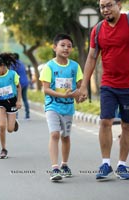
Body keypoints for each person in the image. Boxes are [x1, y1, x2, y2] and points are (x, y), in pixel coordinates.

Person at [79, 0, 129, 180]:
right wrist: (83, 85)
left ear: (119, 5)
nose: (105, 9)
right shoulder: (97, 30)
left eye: (109, 5)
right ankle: (105, 163)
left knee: (127, 124)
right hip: (109, 85)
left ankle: (122, 165)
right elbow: (91, 57)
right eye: (102, 6)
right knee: (105, 120)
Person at [39, 33, 83, 182]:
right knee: (55, 134)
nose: (66, 48)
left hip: (68, 108)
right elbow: (45, 89)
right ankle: (54, 168)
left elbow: (79, 87)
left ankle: (64, 165)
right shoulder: (49, 66)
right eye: (62, 45)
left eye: (69, 46)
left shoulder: (75, 66)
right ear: (54, 47)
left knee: (65, 136)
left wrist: (80, 96)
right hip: (52, 105)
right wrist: (61, 95)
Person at [0, 53, 22, 159]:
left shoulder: (12, 74)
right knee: (2, 126)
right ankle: (3, 149)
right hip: (0, 103)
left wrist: (19, 101)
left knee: (10, 129)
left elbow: (18, 87)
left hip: (12, 102)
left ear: (2, 65)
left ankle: (14, 122)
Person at [11, 53, 30, 119]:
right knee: (25, 99)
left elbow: (12, 74)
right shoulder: (22, 63)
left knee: (16, 100)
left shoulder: (13, 64)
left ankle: (16, 116)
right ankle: (27, 115)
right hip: (25, 82)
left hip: (18, 84)